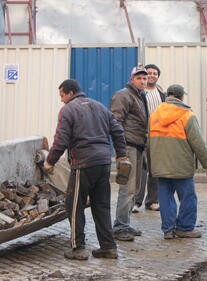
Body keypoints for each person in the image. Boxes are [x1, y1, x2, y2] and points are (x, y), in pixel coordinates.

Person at [44, 79, 126, 260]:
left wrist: (50, 161)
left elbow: (61, 139)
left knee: (73, 205)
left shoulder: (68, 110)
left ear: (70, 93)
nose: (61, 100)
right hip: (104, 163)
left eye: (62, 95)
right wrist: (121, 155)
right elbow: (118, 131)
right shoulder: (99, 107)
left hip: (83, 163)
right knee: (101, 205)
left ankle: (78, 248)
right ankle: (108, 247)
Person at [148, 84, 207, 239]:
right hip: (181, 165)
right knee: (188, 198)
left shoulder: (154, 115)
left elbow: (149, 142)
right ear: (182, 97)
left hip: (161, 166)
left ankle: (168, 230)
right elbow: (198, 143)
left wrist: (152, 164)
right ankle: (184, 228)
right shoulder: (187, 115)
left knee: (165, 198)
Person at [110, 66, 148, 241]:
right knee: (127, 189)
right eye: (139, 78)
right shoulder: (123, 95)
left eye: (144, 78)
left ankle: (124, 222)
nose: (142, 81)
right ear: (131, 79)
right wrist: (121, 151)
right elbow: (115, 122)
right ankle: (119, 227)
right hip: (129, 147)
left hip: (138, 146)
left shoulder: (139, 97)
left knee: (135, 189)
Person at [133, 64, 166, 213]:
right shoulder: (138, 93)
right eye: (149, 73)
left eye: (155, 74)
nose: (152, 76)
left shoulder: (161, 93)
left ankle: (152, 201)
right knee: (141, 170)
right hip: (141, 135)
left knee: (155, 170)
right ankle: (136, 202)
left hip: (157, 136)